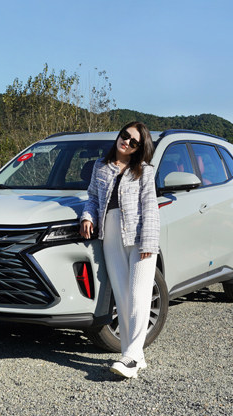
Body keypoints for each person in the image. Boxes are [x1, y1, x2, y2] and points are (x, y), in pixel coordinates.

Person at [80, 121, 160, 379]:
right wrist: (87, 217)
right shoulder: (100, 166)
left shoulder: (144, 171)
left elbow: (150, 206)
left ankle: (131, 358)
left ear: (139, 148)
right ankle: (135, 355)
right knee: (123, 298)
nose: (127, 142)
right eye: (125, 136)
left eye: (134, 142)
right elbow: (93, 198)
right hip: (111, 234)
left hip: (139, 236)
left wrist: (148, 242)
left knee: (138, 296)